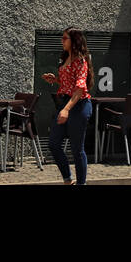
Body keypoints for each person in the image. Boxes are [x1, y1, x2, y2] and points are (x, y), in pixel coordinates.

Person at [41, 27, 93, 185]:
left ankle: (81, 183)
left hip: (79, 105)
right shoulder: (65, 58)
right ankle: (68, 179)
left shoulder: (81, 61)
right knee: (53, 144)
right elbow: (68, 83)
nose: (62, 41)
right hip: (65, 103)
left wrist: (66, 109)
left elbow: (79, 90)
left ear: (74, 40)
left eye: (65, 38)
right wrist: (55, 79)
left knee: (77, 149)